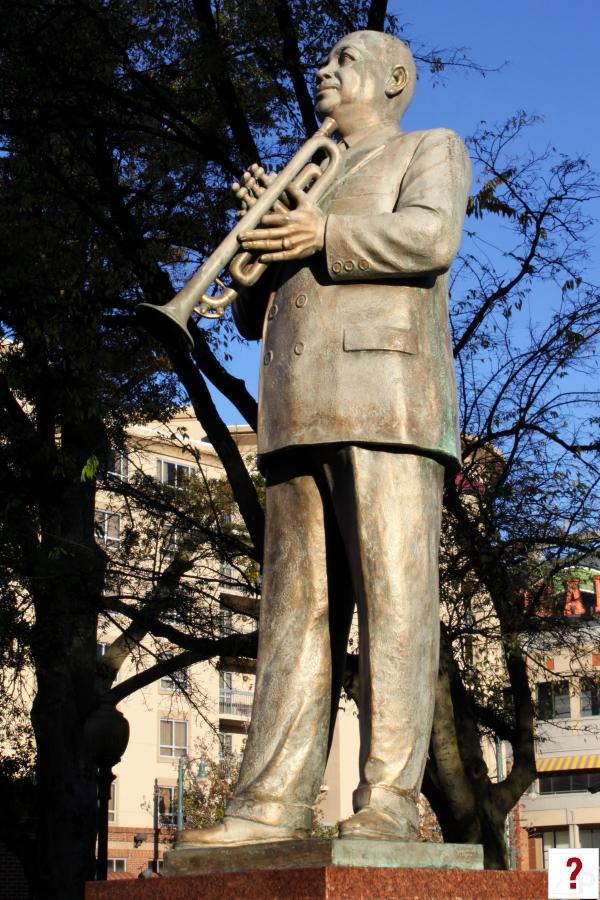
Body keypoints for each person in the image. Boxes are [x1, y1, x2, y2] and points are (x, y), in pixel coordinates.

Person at [182, 29, 471, 847]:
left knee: (395, 602)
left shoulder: (429, 146)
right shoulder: (303, 176)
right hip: (296, 406)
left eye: (344, 61)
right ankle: (267, 802)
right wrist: (259, 240)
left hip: (387, 398)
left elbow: (430, 238)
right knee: (294, 611)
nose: (324, 69)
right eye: (327, 60)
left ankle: (387, 798)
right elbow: (248, 311)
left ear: (393, 79)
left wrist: (322, 236)